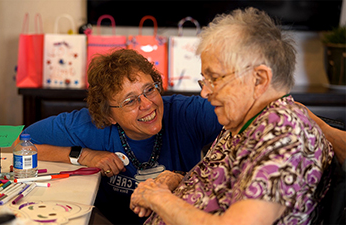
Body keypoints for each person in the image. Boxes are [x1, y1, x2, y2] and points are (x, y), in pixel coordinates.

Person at [129, 7, 334, 225]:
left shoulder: (284, 132)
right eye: (204, 80)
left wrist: (159, 200)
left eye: (214, 78)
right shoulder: (246, 122)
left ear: (259, 79)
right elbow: (219, 188)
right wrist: (177, 181)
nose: (205, 92)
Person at [23, 48, 223, 224]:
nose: (146, 105)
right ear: (109, 115)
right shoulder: (88, 126)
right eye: (130, 101)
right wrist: (84, 156)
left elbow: (248, 118)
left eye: (149, 90)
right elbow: (21, 144)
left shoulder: (187, 113)